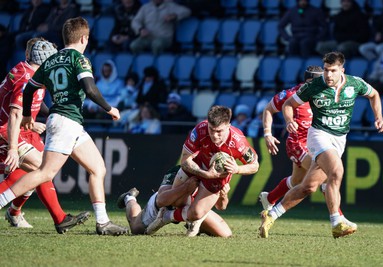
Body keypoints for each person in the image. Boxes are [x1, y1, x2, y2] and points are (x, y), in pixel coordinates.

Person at [0, 17, 128, 236]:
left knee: (98, 168)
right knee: (44, 172)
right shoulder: (80, 59)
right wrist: (109, 109)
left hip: (69, 122)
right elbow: (89, 89)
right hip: (65, 121)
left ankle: (103, 222)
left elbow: (30, 89)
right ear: (84, 38)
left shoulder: (49, 61)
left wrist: (29, 115)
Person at [259, 51, 383, 239]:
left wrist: (379, 118)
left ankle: (272, 213)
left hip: (339, 139)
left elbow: (374, 94)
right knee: (336, 171)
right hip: (317, 136)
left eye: (332, 70)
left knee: (307, 186)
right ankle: (337, 221)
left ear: (342, 70)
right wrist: (285, 122)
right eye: (326, 70)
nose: (328, 75)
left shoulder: (354, 84)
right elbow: (287, 105)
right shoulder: (312, 87)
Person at [0, 37, 90, 232]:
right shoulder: (26, 77)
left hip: (20, 129)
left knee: (37, 171)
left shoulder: (29, 72)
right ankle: (58, 218)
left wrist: (46, 118)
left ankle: (20, 213)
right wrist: (13, 148)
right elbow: (15, 112)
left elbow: (30, 102)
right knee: (41, 168)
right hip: (7, 132)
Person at [258, 66, 356, 230]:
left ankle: (269, 199)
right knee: (325, 174)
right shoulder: (292, 95)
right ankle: (338, 218)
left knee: (297, 181)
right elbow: (268, 109)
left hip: (316, 142)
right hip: (298, 143)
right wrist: (268, 134)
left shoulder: (328, 94)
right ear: (308, 81)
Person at [146, 105, 259, 237]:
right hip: (197, 166)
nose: (215, 136)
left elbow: (255, 165)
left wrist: (237, 169)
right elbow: (185, 160)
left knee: (196, 214)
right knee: (176, 202)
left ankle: (167, 216)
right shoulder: (200, 130)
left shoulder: (238, 142)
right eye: (211, 130)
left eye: (219, 131)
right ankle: (190, 219)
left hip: (218, 176)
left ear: (228, 125)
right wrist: (205, 173)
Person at [116, 165, 232, 237]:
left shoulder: (217, 176)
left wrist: (223, 196)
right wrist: (185, 187)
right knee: (136, 229)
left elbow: (221, 206)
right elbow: (162, 200)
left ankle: (190, 220)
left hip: (194, 209)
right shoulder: (181, 170)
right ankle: (129, 198)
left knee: (225, 234)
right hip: (167, 206)